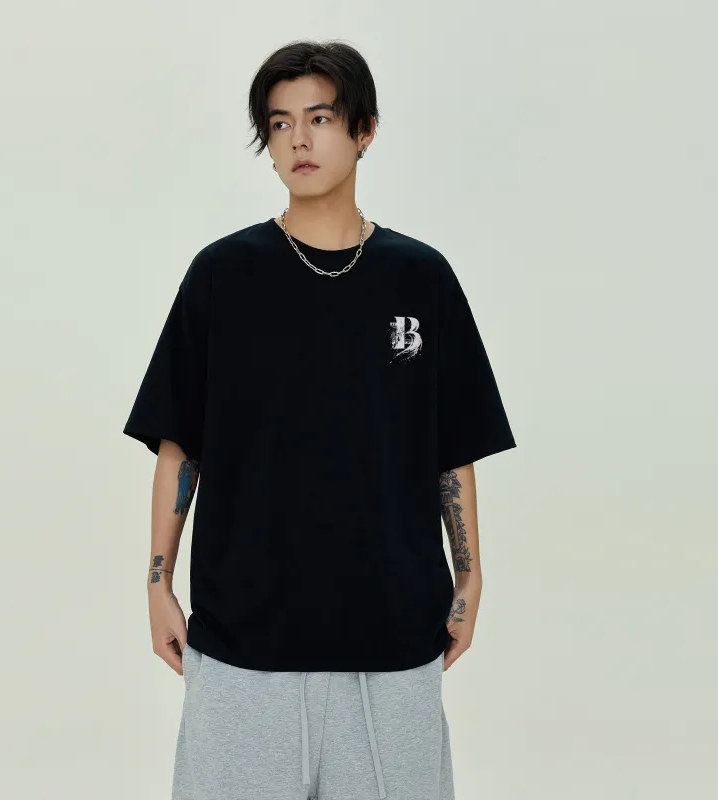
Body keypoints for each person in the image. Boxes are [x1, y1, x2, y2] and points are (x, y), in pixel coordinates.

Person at [122, 39, 516, 800]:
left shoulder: (421, 277)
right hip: (243, 641)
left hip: (393, 638)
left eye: (321, 118)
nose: (298, 139)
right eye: (279, 124)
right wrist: (157, 582)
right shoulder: (222, 275)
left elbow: (452, 446)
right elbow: (180, 443)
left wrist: (470, 576)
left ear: (364, 130)